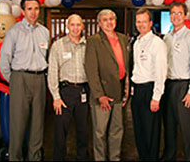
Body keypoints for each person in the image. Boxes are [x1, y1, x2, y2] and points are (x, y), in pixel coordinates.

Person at [0, 0, 50, 161]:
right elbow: (4, 61)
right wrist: (13, 81)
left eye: (36, 8)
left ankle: (34, 158)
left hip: (40, 79)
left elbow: (47, 58)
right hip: (19, 79)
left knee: (37, 126)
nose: (33, 12)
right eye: (29, 9)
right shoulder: (14, 32)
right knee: (18, 126)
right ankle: (15, 158)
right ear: (22, 11)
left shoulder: (45, 32)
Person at [84, 9, 129, 161]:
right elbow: (91, 70)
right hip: (102, 95)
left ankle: (115, 158)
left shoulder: (123, 39)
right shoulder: (94, 40)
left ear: (115, 21)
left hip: (118, 92)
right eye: (105, 20)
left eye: (111, 19)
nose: (109, 22)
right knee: (100, 133)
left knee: (117, 130)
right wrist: (99, 95)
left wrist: (126, 90)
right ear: (99, 23)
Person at [161, 2, 190, 161]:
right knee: (169, 125)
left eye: (179, 13)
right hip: (169, 85)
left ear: (185, 16)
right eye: (172, 13)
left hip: (184, 86)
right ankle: (169, 155)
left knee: (187, 128)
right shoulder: (167, 37)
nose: (175, 16)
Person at [47, 14, 89, 161]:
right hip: (64, 92)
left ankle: (82, 158)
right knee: (60, 131)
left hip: (83, 91)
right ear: (67, 26)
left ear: (82, 27)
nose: (75, 28)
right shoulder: (58, 46)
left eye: (78, 25)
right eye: (72, 25)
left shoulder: (88, 45)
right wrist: (56, 97)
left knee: (83, 131)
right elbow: (52, 72)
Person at [131, 8, 167, 161]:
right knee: (139, 131)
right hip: (137, 91)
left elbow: (161, 71)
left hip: (150, 91)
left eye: (144, 22)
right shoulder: (136, 42)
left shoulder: (157, 43)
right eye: (138, 22)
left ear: (150, 23)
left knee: (151, 132)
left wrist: (156, 97)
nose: (141, 25)